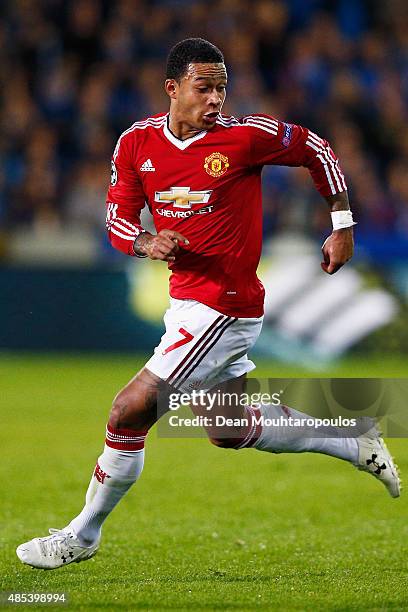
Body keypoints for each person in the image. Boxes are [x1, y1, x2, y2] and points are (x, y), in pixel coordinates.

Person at [17, 38, 400, 570]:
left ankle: (82, 535)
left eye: (222, 87)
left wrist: (342, 225)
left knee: (128, 411)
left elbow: (318, 150)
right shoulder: (134, 144)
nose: (216, 98)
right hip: (187, 301)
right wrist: (145, 241)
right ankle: (352, 439)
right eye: (205, 87)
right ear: (172, 89)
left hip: (226, 304)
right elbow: (116, 217)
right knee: (227, 427)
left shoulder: (245, 138)